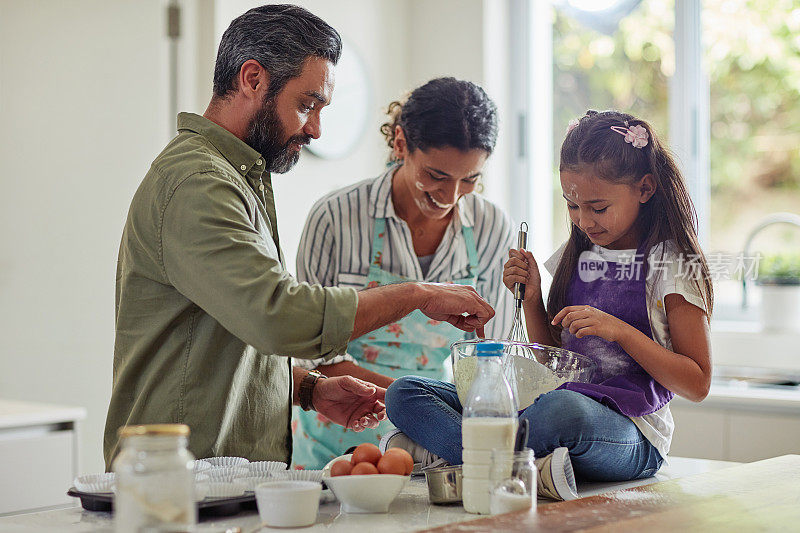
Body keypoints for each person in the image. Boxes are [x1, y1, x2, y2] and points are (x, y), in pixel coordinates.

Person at [103, 4, 495, 468]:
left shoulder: (236, 177)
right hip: (176, 480)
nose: (315, 128)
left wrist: (309, 389)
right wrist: (416, 294)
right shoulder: (198, 183)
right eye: (306, 104)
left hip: (222, 478)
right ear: (252, 79)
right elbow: (278, 317)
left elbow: (233, 336)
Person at [385, 110, 714, 500]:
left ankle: (460, 457)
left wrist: (621, 332)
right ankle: (521, 467)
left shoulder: (673, 266)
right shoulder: (576, 255)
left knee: (559, 411)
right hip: (547, 413)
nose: (583, 221)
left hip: (629, 432)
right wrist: (533, 297)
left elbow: (697, 383)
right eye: (572, 206)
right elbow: (553, 364)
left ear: (645, 188)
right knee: (405, 393)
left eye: (598, 207)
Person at [291, 78, 516, 470]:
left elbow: (490, 356)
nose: (450, 197)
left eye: (470, 179)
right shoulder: (335, 219)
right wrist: (416, 401)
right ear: (400, 144)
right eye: (436, 175)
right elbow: (313, 351)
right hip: (334, 439)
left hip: (421, 444)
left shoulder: (491, 226)